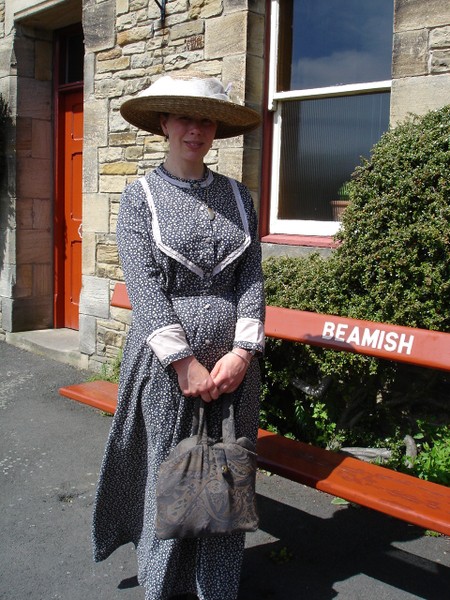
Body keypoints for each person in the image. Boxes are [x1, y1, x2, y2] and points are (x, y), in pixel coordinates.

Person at [92, 71, 265, 600]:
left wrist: (242, 353)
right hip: (169, 369)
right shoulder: (141, 196)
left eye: (207, 119)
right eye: (185, 117)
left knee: (226, 472)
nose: (197, 129)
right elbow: (144, 288)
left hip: (235, 371)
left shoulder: (238, 196)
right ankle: (163, 584)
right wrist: (184, 363)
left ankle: (216, 584)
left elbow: (251, 276)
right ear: (164, 122)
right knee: (173, 473)